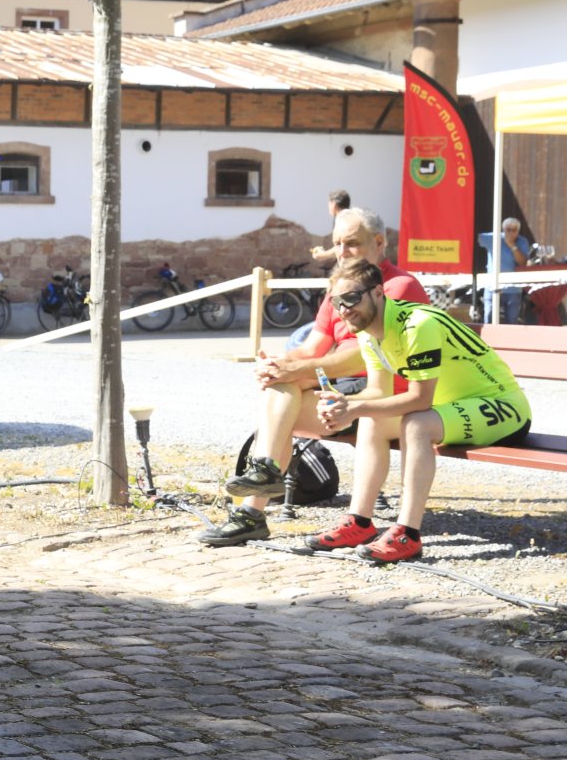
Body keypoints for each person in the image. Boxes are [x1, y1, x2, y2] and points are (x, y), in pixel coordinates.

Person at [198, 207, 430, 546]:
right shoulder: (341, 286)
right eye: (336, 243)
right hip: (346, 389)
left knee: (281, 404)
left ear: (379, 242)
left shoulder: (397, 286)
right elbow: (311, 349)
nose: (342, 252)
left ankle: (254, 503)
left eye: (351, 243)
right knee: (279, 389)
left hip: (386, 396)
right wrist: (277, 364)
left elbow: (362, 357)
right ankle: (256, 496)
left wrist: (297, 370)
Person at [311, 258, 532, 562]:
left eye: (351, 298)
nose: (344, 309)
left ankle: (408, 534)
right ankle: (359, 522)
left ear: (378, 293)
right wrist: (344, 406)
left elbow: (420, 400)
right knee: (372, 418)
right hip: (453, 407)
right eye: (336, 302)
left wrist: (355, 406)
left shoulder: (418, 324)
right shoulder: (367, 330)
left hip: (503, 405)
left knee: (417, 423)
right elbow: (378, 392)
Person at [477, 217, 532, 324]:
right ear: (503, 229)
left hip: (513, 288)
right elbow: (473, 238)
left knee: (512, 321)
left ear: (518, 231)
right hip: (492, 285)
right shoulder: (493, 238)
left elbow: (523, 263)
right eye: (508, 229)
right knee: (489, 318)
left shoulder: (522, 241)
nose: (511, 232)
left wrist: (512, 246)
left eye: (514, 230)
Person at [309, 189, 351, 263]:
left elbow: (341, 249)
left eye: (329, 204)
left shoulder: (342, 220)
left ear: (333, 204)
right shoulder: (350, 217)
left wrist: (322, 255)